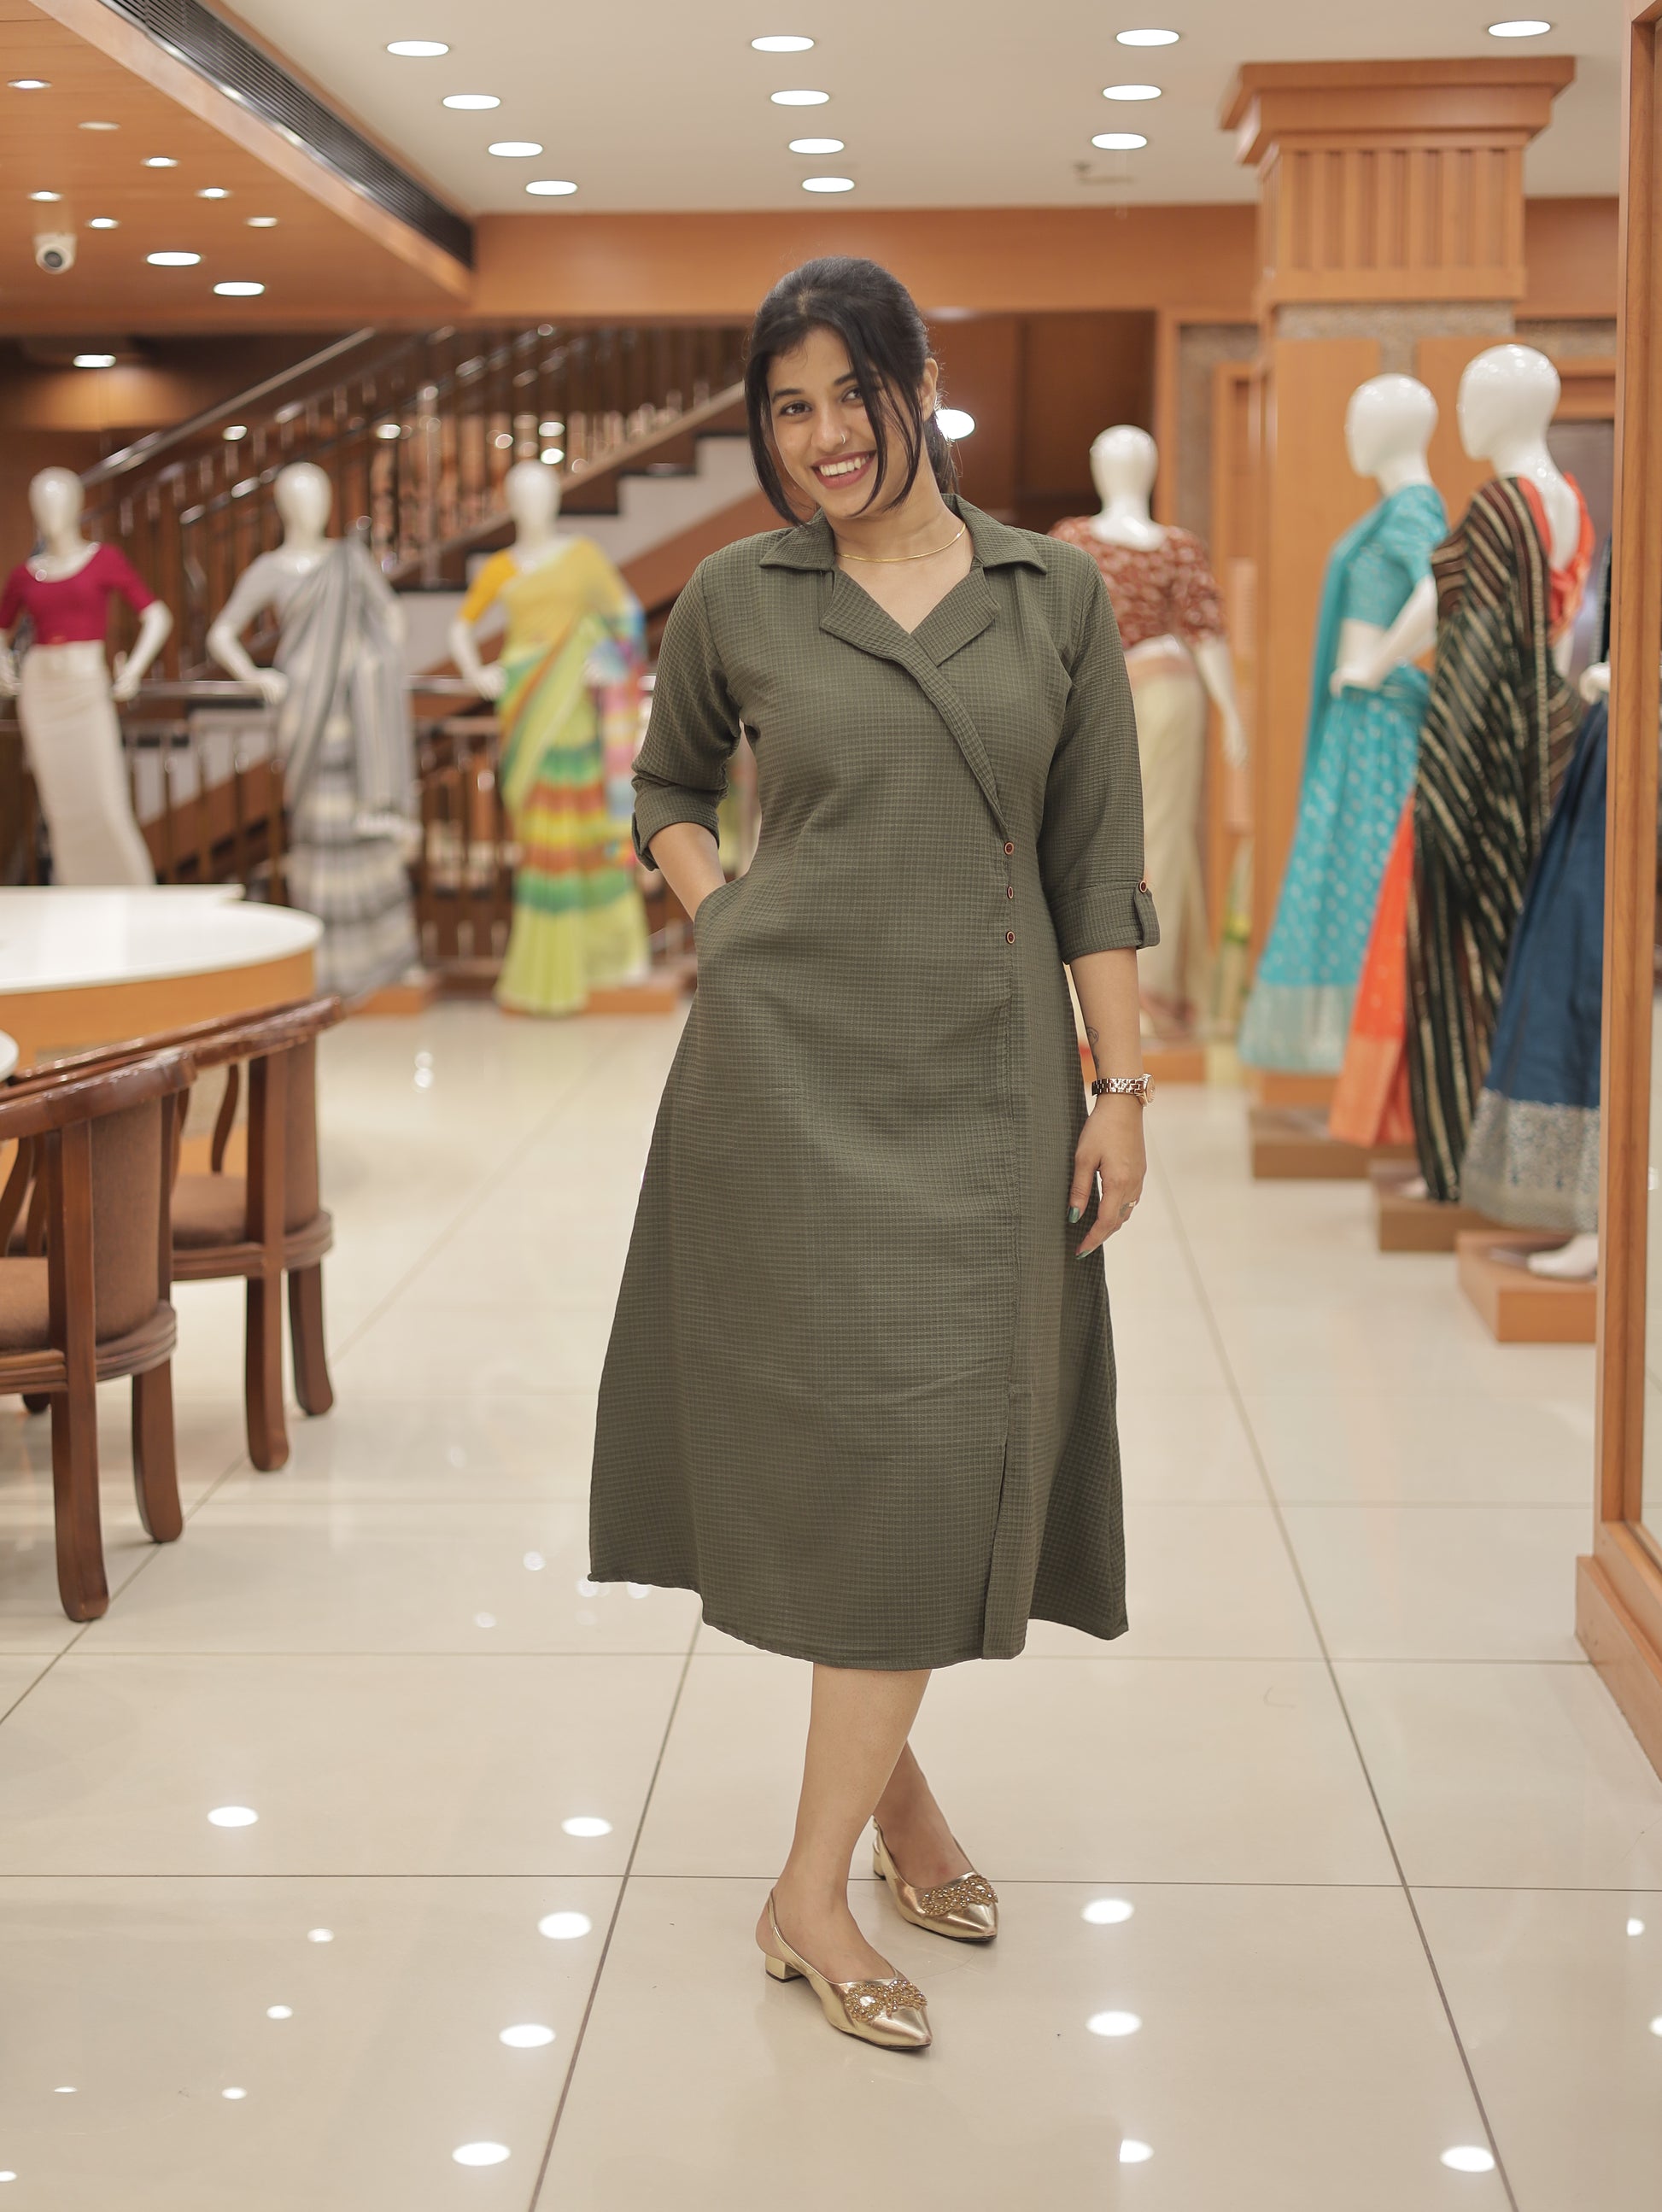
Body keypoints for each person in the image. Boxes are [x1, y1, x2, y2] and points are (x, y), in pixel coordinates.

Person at [588, 257, 1157, 2051]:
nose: (823, 436)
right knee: (849, 1464)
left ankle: (856, 1837)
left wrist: (1123, 1087)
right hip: (784, 1078)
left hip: (991, 1094)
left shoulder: (1053, 593)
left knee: (935, 1455)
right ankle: (820, 1883)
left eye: (853, 393)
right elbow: (666, 788)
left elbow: (1096, 861)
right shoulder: (737, 596)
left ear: (919, 388)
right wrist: (725, 915)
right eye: (788, 407)